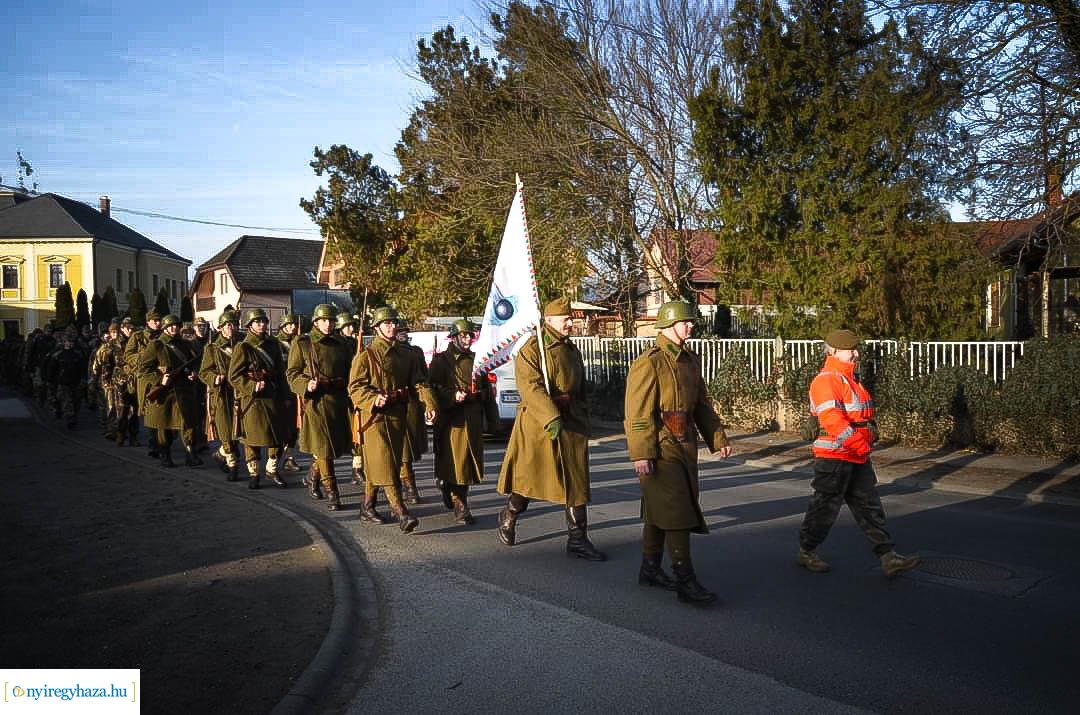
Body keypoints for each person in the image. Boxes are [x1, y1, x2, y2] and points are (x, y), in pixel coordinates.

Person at [624, 301, 734, 605]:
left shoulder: (689, 360)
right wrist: (641, 453)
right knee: (677, 512)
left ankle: (649, 568)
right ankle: (686, 580)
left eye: (691, 322)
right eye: (685, 322)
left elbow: (700, 405)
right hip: (659, 445)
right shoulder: (650, 362)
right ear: (668, 325)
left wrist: (717, 437)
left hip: (684, 443)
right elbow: (637, 413)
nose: (690, 326)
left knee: (662, 509)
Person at [797, 329, 920, 578]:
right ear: (834, 351)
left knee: (869, 507)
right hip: (835, 457)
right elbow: (833, 421)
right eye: (850, 350)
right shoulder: (827, 380)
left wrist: (868, 433)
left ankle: (888, 557)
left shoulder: (850, 379)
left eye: (855, 349)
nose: (855, 353)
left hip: (855, 455)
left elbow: (859, 416)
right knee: (824, 508)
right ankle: (806, 551)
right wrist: (861, 444)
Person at [496, 297, 605, 561]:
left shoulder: (571, 350)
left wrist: (582, 411)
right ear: (549, 320)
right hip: (539, 423)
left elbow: (578, 386)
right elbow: (530, 387)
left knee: (575, 481)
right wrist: (551, 415)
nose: (571, 323)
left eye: (571, 319)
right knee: (530, 478)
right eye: (565, 319)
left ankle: (577, 539)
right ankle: (509, 514)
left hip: (571, 422)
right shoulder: (533, 349)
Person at [348, 306, 437, 532]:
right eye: (386, 323)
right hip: (374, 418)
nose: (391, 326)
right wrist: (371, 398)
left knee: (384, 463)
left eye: (393, 322)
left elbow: (418, 382)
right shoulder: (366, 356)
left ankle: (367, 506)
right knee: (386, 463)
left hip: (398, 415)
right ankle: (401, 512)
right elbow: (355, 387)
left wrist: (429, 403)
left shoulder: (406, 355)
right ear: (377, 327)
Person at [429, 319, 499, 525]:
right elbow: (431, 388)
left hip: (473, 418)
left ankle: (454, 492)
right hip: (452, 420)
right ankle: (460, 505)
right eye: (464, 335)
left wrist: (493, 420)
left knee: (467, 465)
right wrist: (451, 396)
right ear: (455, 336)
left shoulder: (479, 360)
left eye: (470, 335)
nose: (468, 339)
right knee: (455, 463)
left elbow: (488, 392)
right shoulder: (441, 361)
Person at [287, 303, 353, 510]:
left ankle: (312, 476)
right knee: (324, 448)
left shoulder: (342, 343)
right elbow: (292, 373)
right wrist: (306, 384)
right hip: (316, 402)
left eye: (331, 321)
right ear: (315, 322)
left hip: (339, 401)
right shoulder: (303, 343)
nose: (328, 324)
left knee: (332, 448)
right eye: (324, 320)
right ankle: (333, 492)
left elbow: (352, 370)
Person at [228, 308, 291, 489]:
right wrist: (251, 386)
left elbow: (281, 372)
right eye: (258, 322)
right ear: (249, 326)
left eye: (264, 321)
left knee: (277, 437)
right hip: (252, 401)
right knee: (252, 440)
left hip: (273, 396)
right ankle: (254, 474)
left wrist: (286, 395)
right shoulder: (243, 347)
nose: (262, 325)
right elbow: (234, 376)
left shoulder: (273, 344)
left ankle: (271, 469)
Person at [139, 314, 203, 467]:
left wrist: (193, 373)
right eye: (170, 326)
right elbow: (143, 369)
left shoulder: (185, 344)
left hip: (184, 389)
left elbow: (193, 362)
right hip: (166, 392)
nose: (174, 328)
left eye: (176, 325)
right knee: (164, 425)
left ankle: (190, 453)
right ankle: (165, 454)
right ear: (165, 328)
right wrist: (159, 379)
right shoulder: (157, 345)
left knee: (188, 424)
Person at [199, 310, 241, 480]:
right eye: (228, 325)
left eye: (234, 325)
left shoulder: (242, 345)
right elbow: (204, 372)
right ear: (221, 328)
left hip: (239, 392)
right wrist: (215, 378)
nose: (232, 328)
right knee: (225, 430)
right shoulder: (213, 349)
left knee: (238, 430)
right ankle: (233, 465)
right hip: (221, 394)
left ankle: (221, 454)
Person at [394, 319, 429, 504]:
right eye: (399, 331)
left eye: (404, 331)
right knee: (402, 450)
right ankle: (409, 486)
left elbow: (423, 377)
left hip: (411, 403)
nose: (402, 334)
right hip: (391, 404)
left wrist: (427, 403)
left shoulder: (415, 352)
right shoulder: (387, 352)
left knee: (409, 448)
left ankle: (406, 485)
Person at [125, 309, 163, 456]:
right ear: (148, 322)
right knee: (150, 410)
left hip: (163, 376)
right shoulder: (138, 336)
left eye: (159, 320)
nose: (158, 323)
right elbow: (128, 356)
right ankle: (154, 443)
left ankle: (162, 441)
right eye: (155, 321)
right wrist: (145, 356)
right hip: (145, 378)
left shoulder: (163, 336)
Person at [336, 311, 365, 485]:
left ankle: (357, 468)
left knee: (357, 430)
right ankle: (316, 473)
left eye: (351, 325)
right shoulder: (337, 346)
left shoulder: (355, 343)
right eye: (346, 326)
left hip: (354, 393)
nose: (350, 328)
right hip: (340, 393)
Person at [276, 313, 303, 474]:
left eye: (295, 324)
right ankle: (275, 458)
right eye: (290, 324)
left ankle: (289, 458)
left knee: (294, 428)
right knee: (283, 427)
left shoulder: (298, 341)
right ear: (284, 326)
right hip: (281, 389)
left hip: (296, 389)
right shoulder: (276, 343)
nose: (293, 327)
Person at [49, 327, 85, 429]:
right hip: (63, 382)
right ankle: (70, 419)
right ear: (64, 342)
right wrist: (51, 381)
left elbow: (83, 367)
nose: (70, 344)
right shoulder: (58, 355)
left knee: (76, 401)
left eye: (71, 342)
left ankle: (73, 416)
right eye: (68, 342)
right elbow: (52, 369)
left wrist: (83, 379)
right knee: (67, 401)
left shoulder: (78, 354)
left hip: (76, 381)